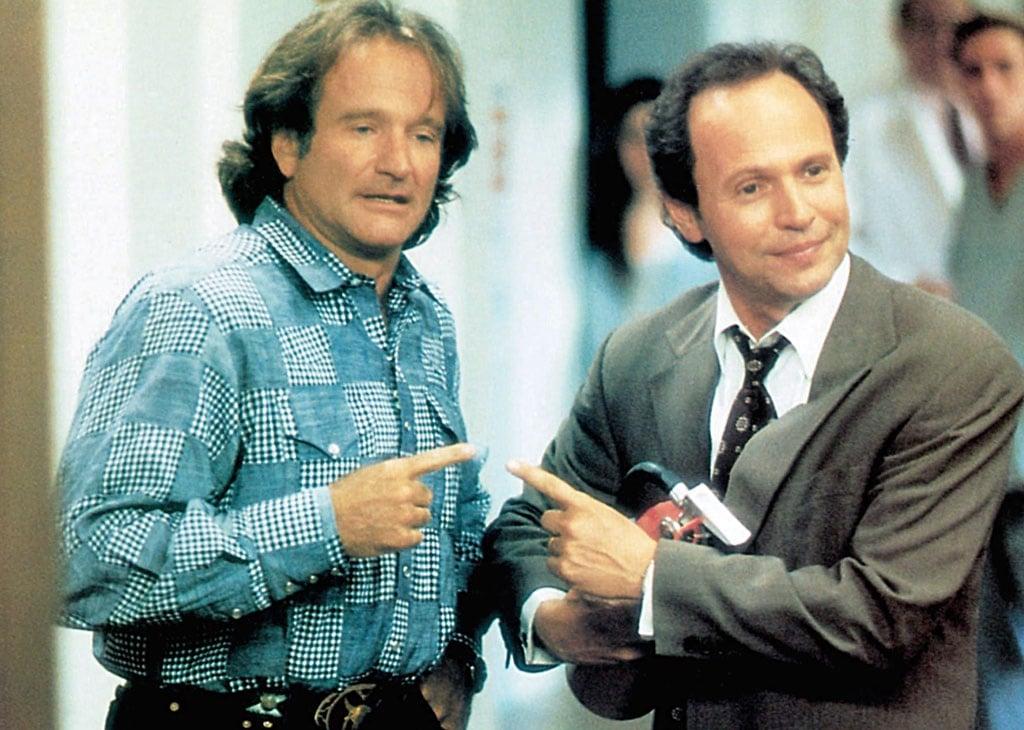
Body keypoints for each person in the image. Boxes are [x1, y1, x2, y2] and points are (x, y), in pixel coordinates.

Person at [482, 41, 1024, 728]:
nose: (798, 211)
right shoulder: (638, 355)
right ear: (684, 213)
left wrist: (652, 576)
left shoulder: (955, 364)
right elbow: (525, 525)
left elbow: (878, 617)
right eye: (752, 187)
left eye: (814, 171)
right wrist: (553, 622)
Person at [56, 2, 488, 728]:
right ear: (288, 145)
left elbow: (458, 523)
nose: (398, 162)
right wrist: (328, 526)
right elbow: (83, 560)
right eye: (364, 128)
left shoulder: (425, 316)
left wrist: (460, 654)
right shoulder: (199, 308)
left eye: (423, 134)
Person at [947, 13, 1024, 729]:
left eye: (1006, 67)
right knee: (988, 651)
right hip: (985, 460)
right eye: (973, 71)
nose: (989, 86)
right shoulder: (975, 188)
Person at [578, 78, 717, 379]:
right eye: (632, 137)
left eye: (653, 136)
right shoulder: (598, 234)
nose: (644, 151)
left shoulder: (705, 228)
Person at [844, 0, 981, 296]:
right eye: (927, 26)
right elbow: (839, 238)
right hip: (908, 307)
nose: (943, 42)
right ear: (899, 32)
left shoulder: (995, 111)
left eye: (955, 26)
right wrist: (906, 282)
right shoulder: (865, 123)